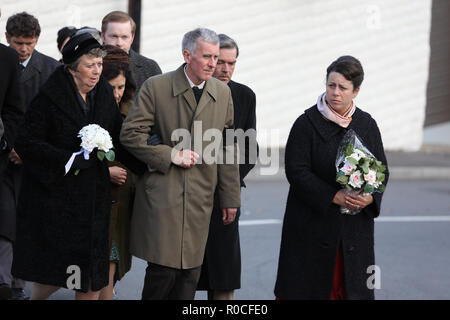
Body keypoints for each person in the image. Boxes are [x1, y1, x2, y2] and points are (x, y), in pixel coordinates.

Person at [11, 32, 143, 300]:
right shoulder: (50, 96)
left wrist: (149, 162)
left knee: (91, 278)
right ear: (72, 68)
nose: (97, 72)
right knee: (59, 275)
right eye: (90, 65)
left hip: (94, 201)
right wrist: (69, 160)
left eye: (99, 65)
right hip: (57, 201)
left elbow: (117, 136)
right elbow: (26, 142)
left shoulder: (103, 92)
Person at [120, 27, 241, 300]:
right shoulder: (156, 86)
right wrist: (169, 155)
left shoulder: (222, 93)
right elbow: (130, 133)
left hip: (201, 193)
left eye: (217, 57)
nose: (214, 64)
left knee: (190, 274)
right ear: (187, 55)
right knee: (164, 271)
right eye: (207, 57)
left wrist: (230, 197)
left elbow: (228, 147)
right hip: (164, 192)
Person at [274, 56, 389, 300]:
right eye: (331, 85)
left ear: (356, 91)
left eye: (342, 88)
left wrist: (370, 199)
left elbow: (382, 171)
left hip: (353, 231)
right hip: (310, 228)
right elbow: (296, 171)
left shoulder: (366, 124)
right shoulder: (306, 123)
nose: (335, 93)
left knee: (350, 290)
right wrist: (333, 196)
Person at [1, 11, 60, 300]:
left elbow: (53, 117)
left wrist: (28, 150)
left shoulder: (50, 68)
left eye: (29, 43)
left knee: (26, 223)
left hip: (33, 158)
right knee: (7, 220)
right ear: (6, 38)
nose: (23, 49)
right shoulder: (3, 63)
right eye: (17, 43)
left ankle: (17, 284)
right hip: (4, 152)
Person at [196, 34, 257, 300]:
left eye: (232, 63)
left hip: (226, 196)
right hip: (193, 190)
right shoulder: (194, 91)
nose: (225, 69)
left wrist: (227, 183)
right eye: (221, 61)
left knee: (224, 272)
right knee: (186, 272)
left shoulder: (244, 95)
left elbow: (248, 150)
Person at [98, 45, 137, 300]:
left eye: (121, 87)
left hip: (122, 197)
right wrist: (105, 171)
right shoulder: (88, 108)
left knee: (113, 258)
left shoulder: (132, 109)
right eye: (111, 87)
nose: (116, 93)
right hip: (95, 197)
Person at [0, 8, 25, 301]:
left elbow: (14, 109)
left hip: (1, 160)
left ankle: (4, 284)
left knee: (5, 221)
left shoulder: (6, 59)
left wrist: (6, 142)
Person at [101, 11, 162, 91]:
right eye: (114, 36)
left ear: (132, 38)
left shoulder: (150, 68)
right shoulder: (90, 68)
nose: (119, 43)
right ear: (103, 36)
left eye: (124, 37)